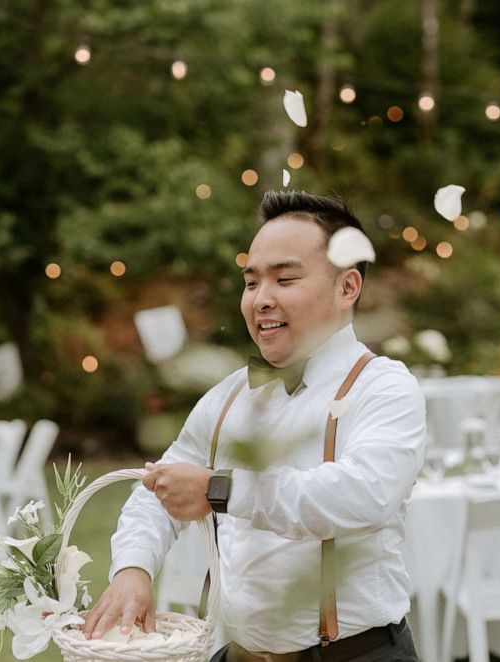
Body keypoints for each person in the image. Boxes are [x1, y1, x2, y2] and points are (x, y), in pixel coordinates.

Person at [83, 190, 426, 661]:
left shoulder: (384, 387)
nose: (261, 300)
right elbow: (156, 488)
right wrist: (132, 569)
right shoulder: (229, 396)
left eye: (284, 279)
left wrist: (221, 490)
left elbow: (362, 495)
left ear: (347, 287)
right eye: (251, 284)